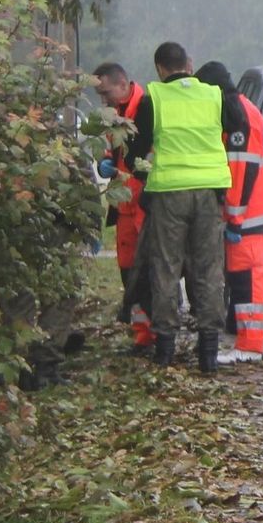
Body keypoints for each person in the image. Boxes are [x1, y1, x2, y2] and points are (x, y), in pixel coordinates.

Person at [125, 42, 244, 372]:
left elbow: (134, 155)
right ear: (189, 65)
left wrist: (146, 171)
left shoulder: (154, 99)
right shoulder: (213, 96)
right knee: (208, 268)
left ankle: (164, 349)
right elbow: (239, 124)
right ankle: (208, 352)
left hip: (169, 195)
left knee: (165, 267)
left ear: (160, 69)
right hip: (209, 193)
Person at [193, 61, 263, 364]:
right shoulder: (243, 110)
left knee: (248, 281)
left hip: (250, 214)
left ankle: (249, 347)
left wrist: (233, 217)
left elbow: (240, 169)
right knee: (244, 279)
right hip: (255, 211)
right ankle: (247, 343)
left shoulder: (239, 118)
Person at [92, 61, 154, 354]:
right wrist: (106, 162)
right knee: (128, 271)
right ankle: (141, 334)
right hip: (124, 202)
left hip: (142, 201)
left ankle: (153, 333)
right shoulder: (115, 113)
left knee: (146, 271)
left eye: (105, 92)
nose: (103, 99)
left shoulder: (146, 107)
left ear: (122, 83)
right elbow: (112, 148)